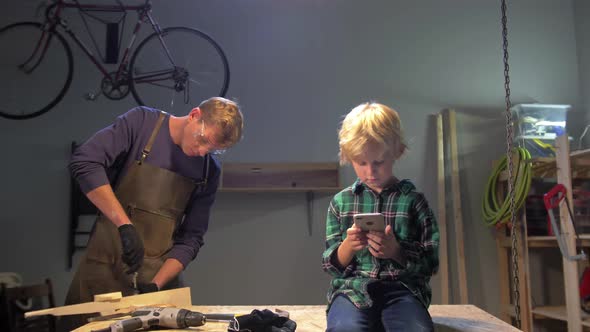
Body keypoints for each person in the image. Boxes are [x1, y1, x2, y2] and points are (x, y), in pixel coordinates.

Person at [62, 97, 243, 329]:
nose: (202, 152)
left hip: (156, 284)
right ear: (195, 115)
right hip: (103, 271)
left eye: (213, 150)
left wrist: (155, 287)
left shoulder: (209, 170)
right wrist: (124, 225)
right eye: (203, 140)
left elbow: (192, 238)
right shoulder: (143, 124)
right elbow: (84, 162)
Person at [321, 102, 439, 332]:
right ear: (348, 157)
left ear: (397, 152)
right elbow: (330, 266)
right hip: (352, 291)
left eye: (378, 162)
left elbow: (430, 264)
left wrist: (396, 251)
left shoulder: (414, 202)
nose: (370, 171)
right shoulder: (340, 202)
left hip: (403, 290)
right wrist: (348, 246)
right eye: (361, 162)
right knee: (345, 330)